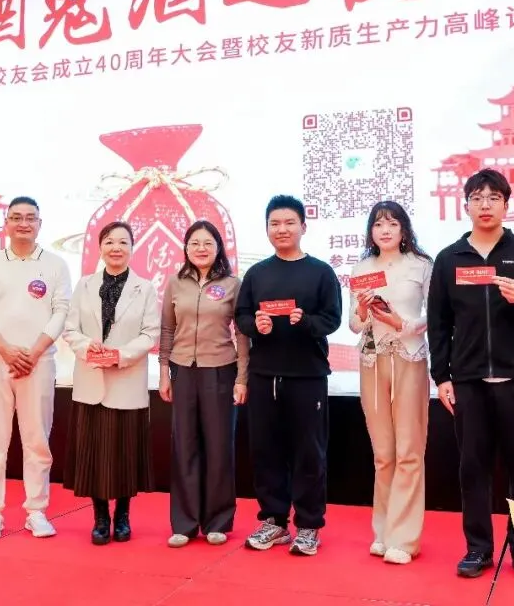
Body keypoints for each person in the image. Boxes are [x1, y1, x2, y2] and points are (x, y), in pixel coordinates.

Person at [427, 169, 514, 582]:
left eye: (493, 198)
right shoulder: (450, 259)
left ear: (507, 204)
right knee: (473, 469)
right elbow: (438, 323)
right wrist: (442, 376)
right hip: (468, 382)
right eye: (477, 198)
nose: (485, 205)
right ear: (466, 205)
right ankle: (478, 549)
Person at [234, 195, 342, 556]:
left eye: (289, 222)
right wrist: (256, 325)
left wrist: (306, 322)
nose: (282, 229)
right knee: (266, 451)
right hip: (264, 376)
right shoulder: (257, 273)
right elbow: (241, 316)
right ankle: (274, 521)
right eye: (275, 224)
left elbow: (332, 318)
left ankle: (309, 525)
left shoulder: (321, 272)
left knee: (309, 453)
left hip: (307, 376)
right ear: (267, 229)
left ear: (303, 227)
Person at [0, 196, 73, 540]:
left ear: (40, 224)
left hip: (39, 362)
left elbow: (62, 310)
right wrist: (4, 348)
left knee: (37, 439)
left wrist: (35, 351)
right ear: (6, 223)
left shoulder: (56, 265)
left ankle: (36, 511)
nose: (23, 223)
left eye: (30, 218)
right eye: (16, 217)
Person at [61, 221, 160, 545]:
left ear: (132, 248)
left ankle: (123, 516)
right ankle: (100, 517)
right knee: (94, 456)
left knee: (125, 455)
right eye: (109, 242)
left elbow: (150, 333)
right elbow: (70, 328)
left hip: (127, 380)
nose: (116, 248)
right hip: (91, 381)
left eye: (123, 242)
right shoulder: (84, 285)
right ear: (100, 247)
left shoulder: (145, 288)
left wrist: (120, 355)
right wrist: (87, 348)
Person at [347, 201, 432, 565]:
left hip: (409, 359)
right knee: (383, 453)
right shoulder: (362, 268)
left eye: (392, 224)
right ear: (371, 231)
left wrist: (403, 324)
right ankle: (383, 533)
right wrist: (363, 310)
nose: (385, 230)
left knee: (409, 450)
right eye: (378, 224)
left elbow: (436, 315)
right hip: (371, 360)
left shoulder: (421, 265)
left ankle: (404, 538)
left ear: (404, 229)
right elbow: (354, 324)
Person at [159, 220, 249, 548]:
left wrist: (242, 377)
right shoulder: (175, 283)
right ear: (185, 248)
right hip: (182, 370)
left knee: (219, 447)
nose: (201, 248)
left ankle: (218, 521)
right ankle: (184, 524)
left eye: (208, 243)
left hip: (221, 370)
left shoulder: (232, 284)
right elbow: (167, 330)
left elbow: (242, 334)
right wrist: (164, 371)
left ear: (218, 248)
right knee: (184, 446)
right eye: (195, 243)